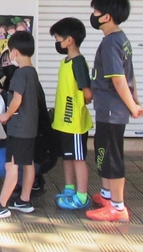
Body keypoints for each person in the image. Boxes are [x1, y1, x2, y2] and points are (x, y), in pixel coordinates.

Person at [85, 0, 143, 223]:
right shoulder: (121, 39)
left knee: (111, 155)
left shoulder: (111, 42)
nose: (93, 16)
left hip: (111, 109)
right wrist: (135, 102)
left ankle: (117, 208)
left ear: (106, 16)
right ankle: (107, 196)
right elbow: (131, 75)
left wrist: (132, 105)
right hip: (110, 108)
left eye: (96, 12)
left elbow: (120, 78)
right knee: (104, 149)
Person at [0, 31, 40, 220]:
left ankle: (2, 205)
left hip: (19, 128)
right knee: (27, 163)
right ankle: (24, 200)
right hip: (30, 128)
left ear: (14, 52)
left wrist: (6, 115)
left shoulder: (19, 74)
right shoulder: (32, 71)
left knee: (11, 166)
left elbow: (17, 99)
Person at [50, 17, 93, 210]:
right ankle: (69, 188)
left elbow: (88, 93)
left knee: (78, 158)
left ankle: (82, 196)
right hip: (62, 122)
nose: (57, 43)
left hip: (74, 123)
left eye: (59, 39)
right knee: (67, 157)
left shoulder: (78, 63)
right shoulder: (64, 62)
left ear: (69, 40)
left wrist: (76, 106)